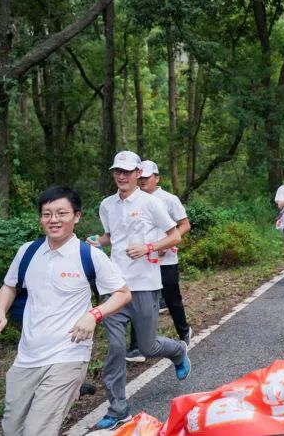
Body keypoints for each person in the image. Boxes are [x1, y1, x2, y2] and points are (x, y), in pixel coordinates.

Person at [0, 186, 130, 436]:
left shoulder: (88, 255)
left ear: (76, 216)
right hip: (27, 356)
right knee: (12, 429)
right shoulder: (27, 251)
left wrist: (93, 315)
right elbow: (9, 286)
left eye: (61, 213)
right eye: (47, 214)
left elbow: (123, 293)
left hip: (68, 353)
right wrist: (0, 310)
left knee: (37, 431)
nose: (54, 220)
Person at [88, 151, 190, 429]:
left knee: (147, 346)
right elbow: (112, 236)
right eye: (117, 171)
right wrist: (98, 241)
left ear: (137, 174)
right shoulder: (107, 205)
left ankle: (178, 351)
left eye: (127, 171)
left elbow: (175, 235)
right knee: (116, 348)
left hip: (145, 284)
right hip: (114, 286)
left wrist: (148, 247)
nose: (121, 176)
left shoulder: (152, 203)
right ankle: (117, 409)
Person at [138, 160, 192, 342]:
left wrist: (166, 244)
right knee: (140, 300)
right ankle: (137, 343)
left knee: (172, 299)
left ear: (157, 178)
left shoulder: (169, 199)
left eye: (147, 177)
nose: (143, 180)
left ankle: (184, 332)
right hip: (141, 260)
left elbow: (185, 225)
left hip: (166, 259)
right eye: (140, 177)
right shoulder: (134, 200)